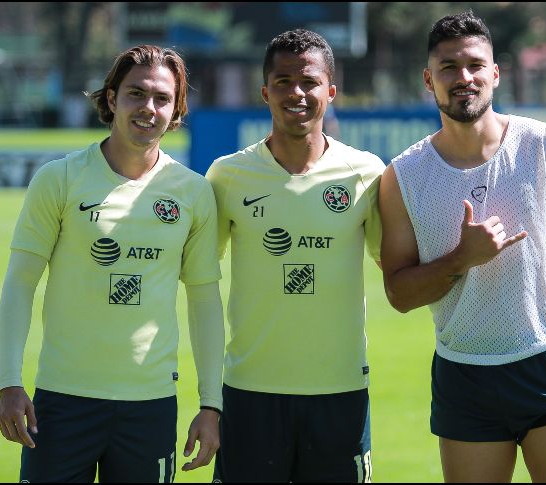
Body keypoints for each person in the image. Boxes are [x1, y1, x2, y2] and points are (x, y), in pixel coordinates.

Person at [379, 11, 546, 483]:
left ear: (496, 73)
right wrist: (462, 259)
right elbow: (398, 294)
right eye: (449, 68)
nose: (464, 78)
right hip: (464, 373)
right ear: (427, 79)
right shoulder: (402, 177)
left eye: (476, 65)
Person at [0, 44, 225, 482]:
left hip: (150, 405)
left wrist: (210, 405)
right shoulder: (59, 179)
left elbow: (204, 300)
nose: (149, 108)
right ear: (112, 98)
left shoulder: (193, 192)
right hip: (63, 401)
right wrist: (9, 382)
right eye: (136, 93)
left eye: (163, 98)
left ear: (177, 110)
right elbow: (20, 283)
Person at [205, 29, 384, 482]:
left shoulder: (366, 173)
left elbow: (397, 267)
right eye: (283, 82)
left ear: (331, 90)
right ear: (265, 92)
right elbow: (196, 279)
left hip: (340, 392)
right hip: (249, 393)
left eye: (309, 81)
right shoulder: (227, 176)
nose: (296, 93)